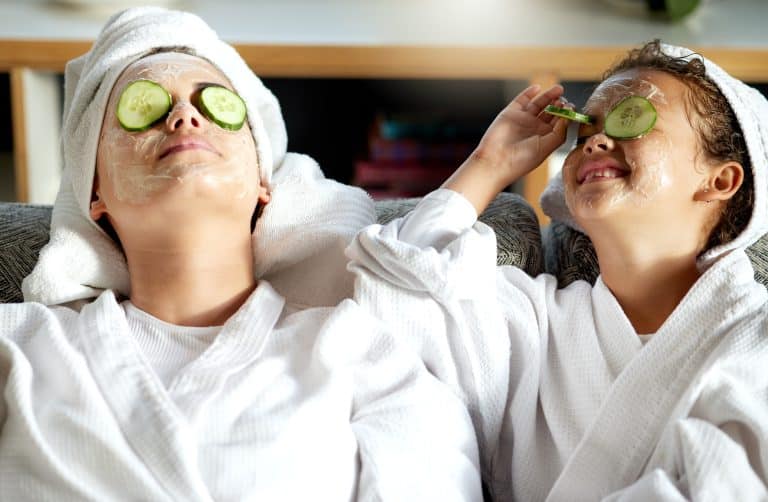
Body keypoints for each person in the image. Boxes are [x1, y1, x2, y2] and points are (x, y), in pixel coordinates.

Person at [0, 7, 482, 500]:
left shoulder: (357, 351)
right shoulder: (22, 346)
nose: (184, 116)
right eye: (144, 107)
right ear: (93, 190)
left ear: (262, 183)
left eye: (214, 104)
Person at [348, 40, 768, 500]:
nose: (595, 143)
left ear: (720, 180)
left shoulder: (754, 340)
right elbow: (394, 302)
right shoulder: (533, 320)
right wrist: (489, 163)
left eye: (631, 119)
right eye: (583, 135)